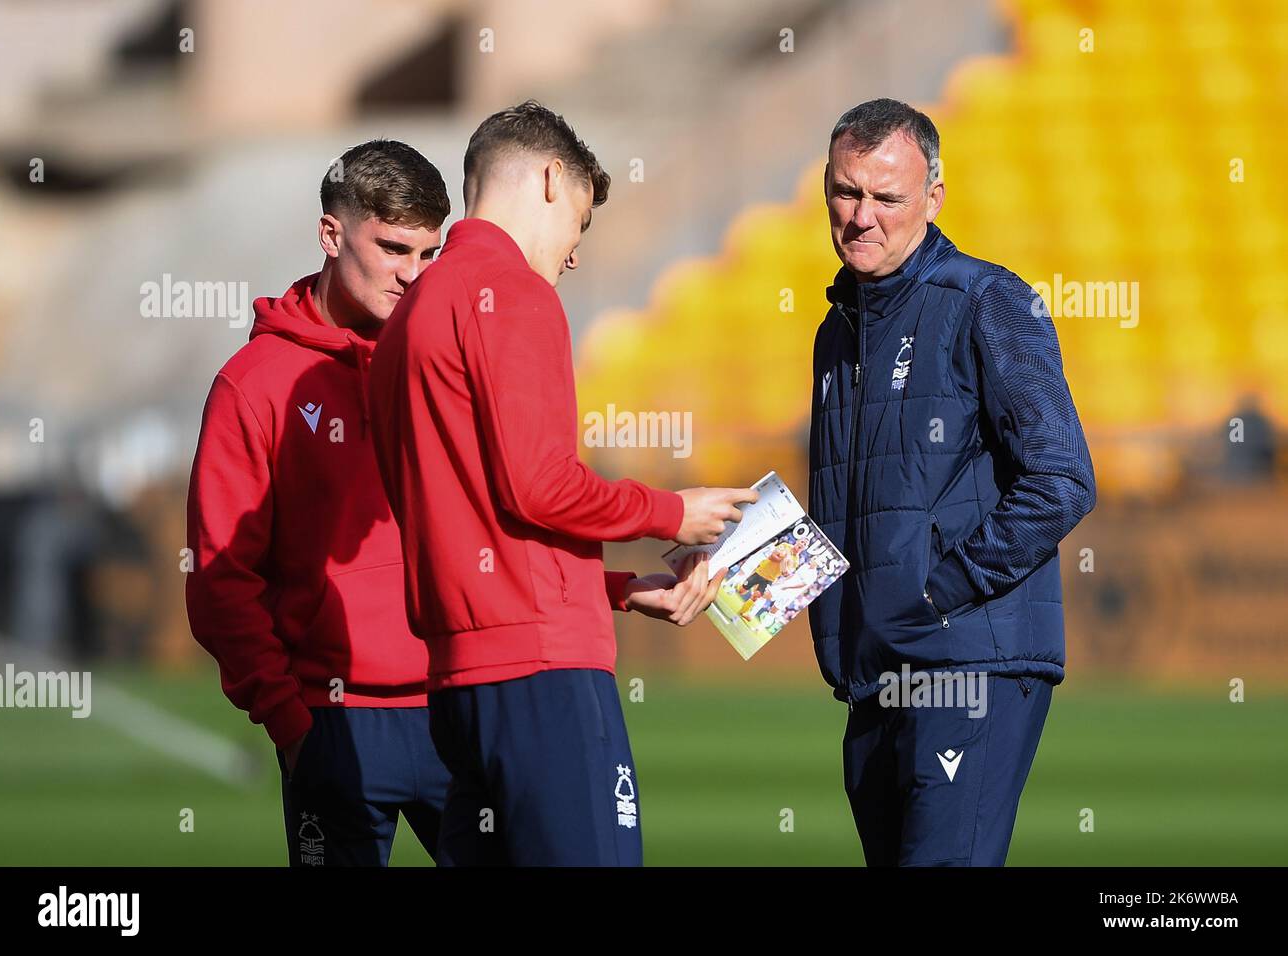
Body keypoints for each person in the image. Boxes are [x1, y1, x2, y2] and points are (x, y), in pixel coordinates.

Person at [369, 101, 757, 866]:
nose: (574, 254)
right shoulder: (513, 291)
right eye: (579, 222)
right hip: (543, 680)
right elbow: (539, 487)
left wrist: (611, 589)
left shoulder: (407, 317)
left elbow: (472, 521)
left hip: (456, 682)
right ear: (549, 180)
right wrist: (671, 511)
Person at [808, 98, 1096, 866]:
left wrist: (942, 589)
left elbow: (1063, 479)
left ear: (933, 199)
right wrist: (741, 572)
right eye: (845, 191)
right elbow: (859, 503)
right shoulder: (836, 330)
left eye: (885, 197)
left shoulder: (989, 300)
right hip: (873, 676)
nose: (860, 215)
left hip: (970, 665)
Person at [185, 140, 453, 866]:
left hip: (458, 706)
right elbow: (219, 578)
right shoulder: (255, 383)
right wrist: (287, 720)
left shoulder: (449, 362)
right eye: (394, 248)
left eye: (427, 255)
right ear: (331, 234)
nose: (411, 275)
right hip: (330, 720)